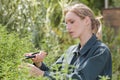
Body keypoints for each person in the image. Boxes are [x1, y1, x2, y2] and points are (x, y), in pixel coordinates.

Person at [25, 3, 112, 80]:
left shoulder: (100, 51)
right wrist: (39, 63)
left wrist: (41, 74)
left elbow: (81, 78)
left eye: (72, 22)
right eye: (66, 23)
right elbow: (52, 73)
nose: (68, 27)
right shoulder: (71, 51)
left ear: (86, 21)